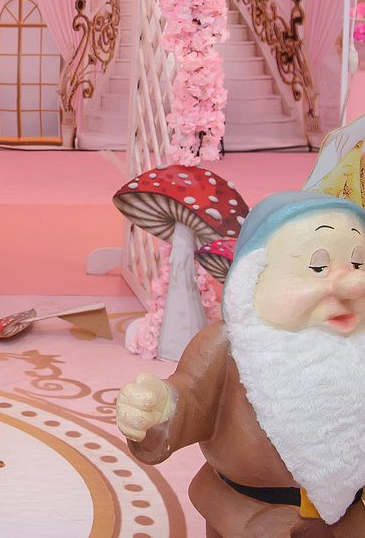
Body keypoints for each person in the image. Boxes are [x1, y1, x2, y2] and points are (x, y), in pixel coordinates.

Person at [117, 191, 365, 535]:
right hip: (250, 515)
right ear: (255, 276)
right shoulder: (228, 346)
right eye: (318, 267)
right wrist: (162, 408)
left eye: (358, 263)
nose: (354, 284)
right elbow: (191, 396)